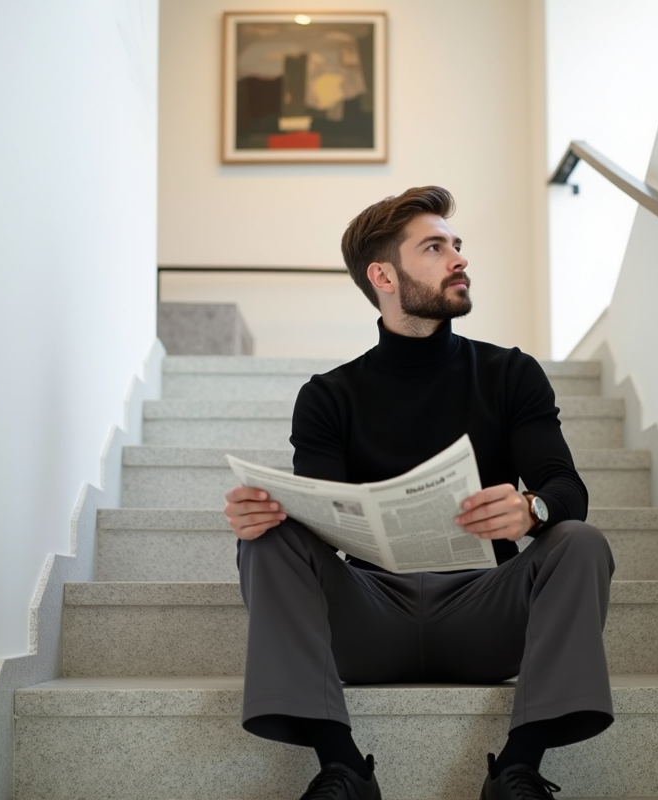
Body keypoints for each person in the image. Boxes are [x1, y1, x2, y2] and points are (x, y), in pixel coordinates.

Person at [224, 186, 615, 800]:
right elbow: (319, 521)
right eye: (435, 247)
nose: (459, 258)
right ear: (383, 274)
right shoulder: (328, 396)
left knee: (579, 540)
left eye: (457, 245)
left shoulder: (512, 374)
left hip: (488, 613)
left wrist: (531, 509)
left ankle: (517, 768)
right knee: (267, 542)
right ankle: (343, 767)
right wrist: (266, 515)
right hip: (365, 618)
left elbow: (568, 488)